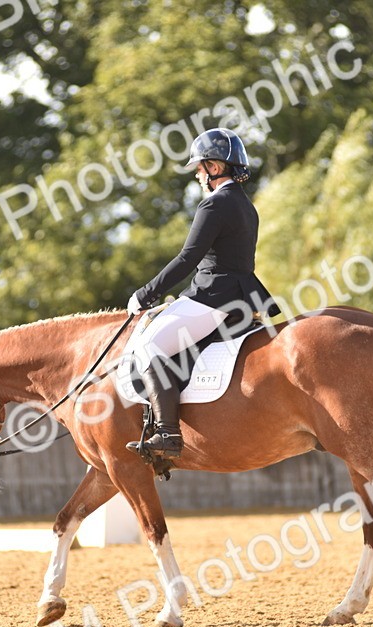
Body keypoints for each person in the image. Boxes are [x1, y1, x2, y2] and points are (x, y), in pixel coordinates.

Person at [125, 127, 275, 463]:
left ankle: (167, 433)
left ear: (216, 167)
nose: (196, 172)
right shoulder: (246, 206)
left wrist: (146, 294)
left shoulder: (214, 205)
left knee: (150, 346)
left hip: (213, 297)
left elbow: (187, 259)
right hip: (243, 298)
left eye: (200, 166)